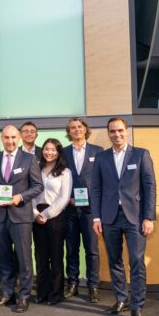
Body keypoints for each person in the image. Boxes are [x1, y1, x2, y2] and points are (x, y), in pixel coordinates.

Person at [91, 117, 156, 316]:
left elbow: (150, 187)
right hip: (109, 217)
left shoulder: (141, 154)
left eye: (120, 130)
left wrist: (148, 217)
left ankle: (137, 307)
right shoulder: (101, 158)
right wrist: (97, 217)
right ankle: (121, 299)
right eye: (112, 131)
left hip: (135, 217)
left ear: (126, 131)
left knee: (136, 262)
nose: (116, 134)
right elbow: (96, 189)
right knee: (114, 260)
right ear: (108, 133)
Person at [0, 125, 43, 313]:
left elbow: (37, 186)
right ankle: (7, 293)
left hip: (21, 216)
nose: (10, 141)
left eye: (13, 137)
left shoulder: (29, 158)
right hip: (0, 217)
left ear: (18, 138)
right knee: (3, 258)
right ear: (1, 138)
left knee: (24, 259)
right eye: (6, 138)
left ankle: (24, 296)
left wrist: (20, 197)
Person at [63, 117, 103, 302]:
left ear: (85, 129)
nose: (77, 130)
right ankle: (72, 283)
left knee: (92, 249)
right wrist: (66, 197)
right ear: (69, 132)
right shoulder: (63, 153)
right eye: (73, 128)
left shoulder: (98, 151)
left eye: (80, 127)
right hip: (69, 208)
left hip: (90, 210)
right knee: (71, 248)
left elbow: (103, 180)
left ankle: (93, 285)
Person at [32, 138, 71, 305]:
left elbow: (64, 198)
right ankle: (41, 293)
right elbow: (31, 192)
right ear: (42, 151)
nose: (49, 152)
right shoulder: (35, 168)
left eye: (53, 150)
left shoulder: (65, 172)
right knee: (40, 257)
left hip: (56, 216)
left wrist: (46, 214)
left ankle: (56, 294)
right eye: (46, 149)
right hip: (36, 215)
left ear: (58, 152)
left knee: (55, 257)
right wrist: (35, 213)